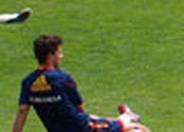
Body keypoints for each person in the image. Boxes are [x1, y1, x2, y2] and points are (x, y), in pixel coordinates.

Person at [12, 34, 151, 132]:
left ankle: (125, 115)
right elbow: (80, 110)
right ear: (50, 55)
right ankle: (126, 116)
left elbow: (22, 110)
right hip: (84, 129)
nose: (62, 56)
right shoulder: (62, 78)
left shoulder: (28, 82)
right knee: (138, 129)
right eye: (59, 53)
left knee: (104, 120)